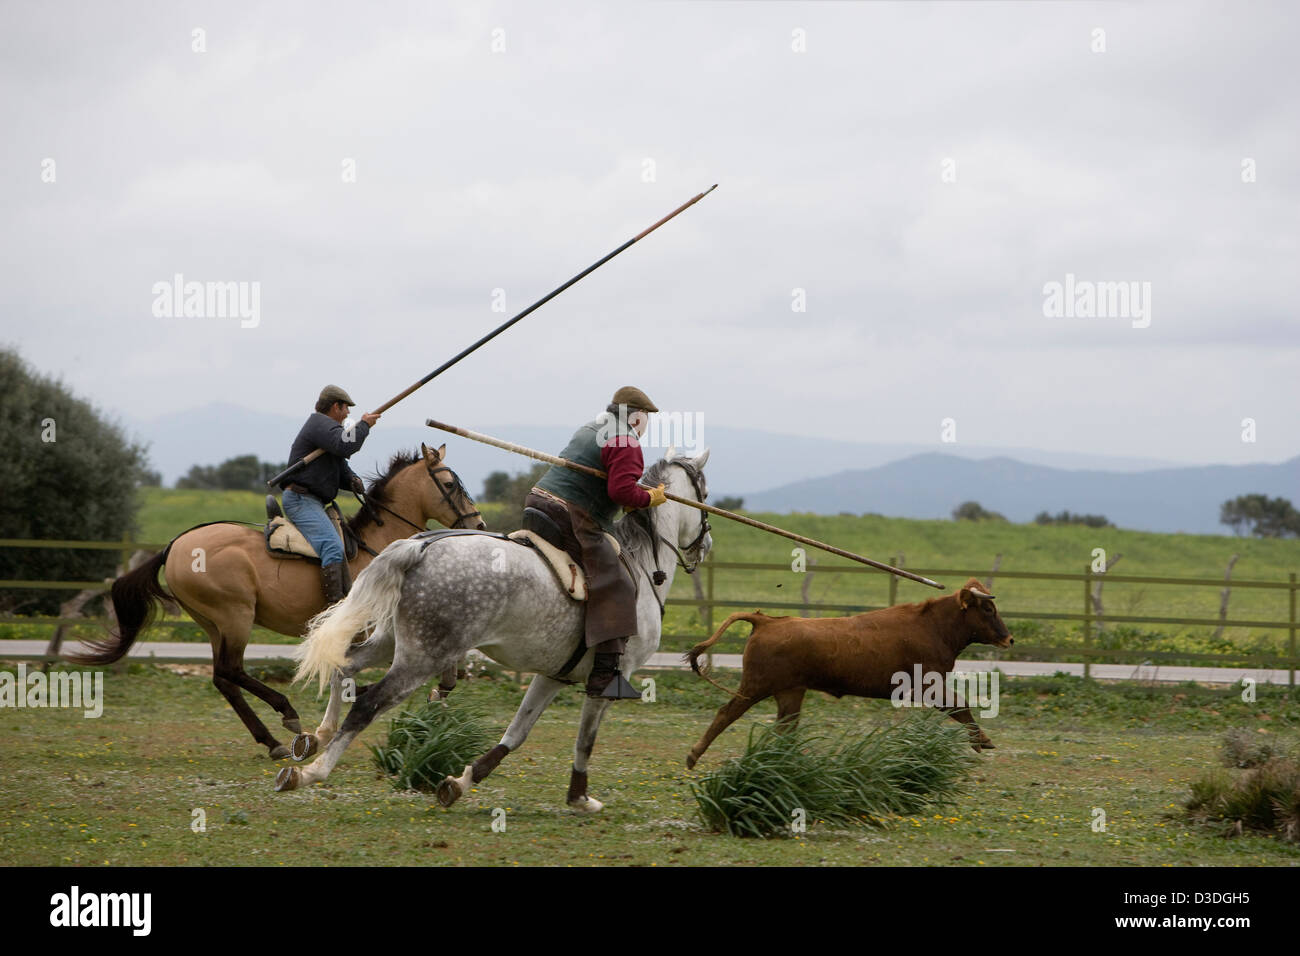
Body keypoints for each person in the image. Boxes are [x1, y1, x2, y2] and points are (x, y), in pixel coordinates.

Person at [525, 386, 668, 699]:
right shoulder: (626, 441)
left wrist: (632, 496)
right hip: (571, 516)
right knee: (619, 584)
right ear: (637, 417)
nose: (646, 427)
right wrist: (649, 497)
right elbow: (621, 493)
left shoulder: (592, 427)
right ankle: (604, 675)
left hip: (537, 504)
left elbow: (608, 484)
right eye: (647, 419)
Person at [279, 385, 380, 604]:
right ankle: (334, 608)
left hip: (313, 501)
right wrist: (364, 425)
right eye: (346, 409)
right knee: (333, 546)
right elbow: (344, 445)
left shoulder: (326, 431)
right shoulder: (320, 424)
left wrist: (352, 480)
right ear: (336, 406)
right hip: (301, 500)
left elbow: (339, 464)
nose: (348, 414)